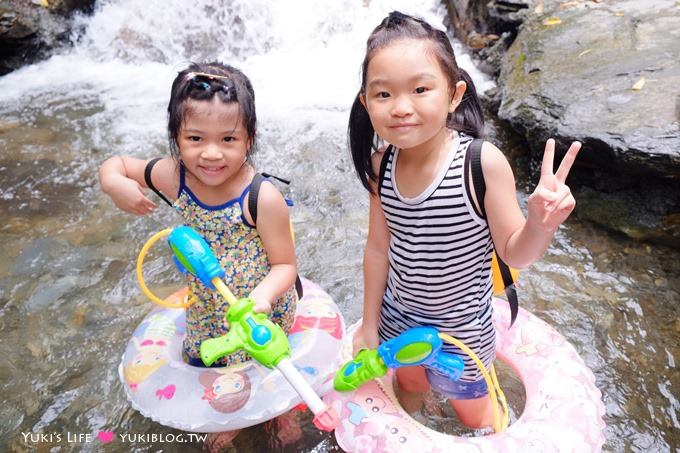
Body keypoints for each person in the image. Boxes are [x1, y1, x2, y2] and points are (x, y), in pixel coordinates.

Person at [348, 12, 581, 429]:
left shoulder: (480, 163)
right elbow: (378, 247)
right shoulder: (381, 164)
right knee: (411, 392)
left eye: (420, 89)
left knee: (477, 418)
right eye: (383, 95)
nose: (401, 107)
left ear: (454, 94)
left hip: (462, 335)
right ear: (366, 102)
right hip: (399, 317)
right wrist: (369, 324)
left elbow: (515, 252)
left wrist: (540, 224)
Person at [99, 62, 299, 369]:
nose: (211, 153)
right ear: (176, 136)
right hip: (207, 302)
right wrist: (113, 182)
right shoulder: (174, 175)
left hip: (257, 309)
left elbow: (285, 264)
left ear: (249, 138)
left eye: (228, 139)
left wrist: (262, 297)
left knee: (264, 372)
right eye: (195, 139)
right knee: (205, 368)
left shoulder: (261, 197)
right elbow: (119, 164)